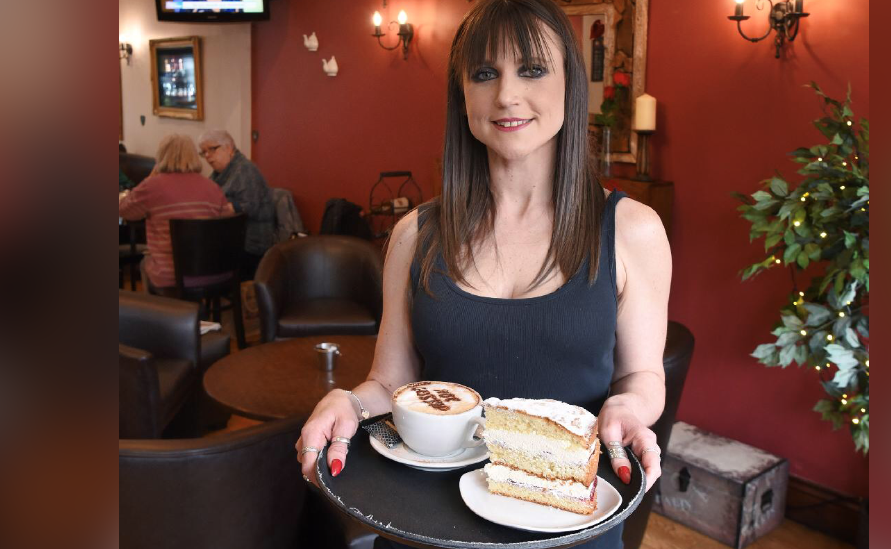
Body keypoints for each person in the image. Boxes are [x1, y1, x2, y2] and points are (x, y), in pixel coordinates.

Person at [298, 1, 671, 548]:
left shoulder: (632, 231)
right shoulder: (414, 234)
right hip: (425, 526)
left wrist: (628, 406)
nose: (507, 95)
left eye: (533, 69)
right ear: (463, 96)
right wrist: (348, 403)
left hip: (564, 528)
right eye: (484, 73)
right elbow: (391, 383)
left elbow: (643, 377)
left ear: (570, 85)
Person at [119, 134, 230, 296]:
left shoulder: (152, 186)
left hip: (171, 277)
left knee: (145, 263)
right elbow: (226, 221)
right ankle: (194, 315)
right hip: (214, 271)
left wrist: (150, 177)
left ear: (161, 157)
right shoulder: (212, 187)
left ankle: (162, 317)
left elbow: (124, 210)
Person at [197, 129, 275, 279]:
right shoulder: (219, 174)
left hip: (250, 245)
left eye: (211, 149)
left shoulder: (245, 169)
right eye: (203, 152)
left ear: (229, 148)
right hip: (230, 239)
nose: (207, 156)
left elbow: (248, 207)